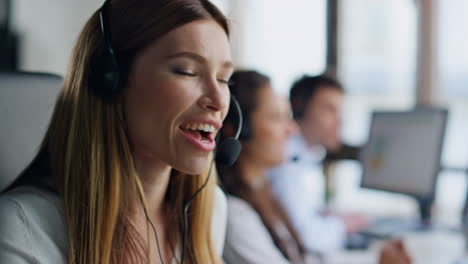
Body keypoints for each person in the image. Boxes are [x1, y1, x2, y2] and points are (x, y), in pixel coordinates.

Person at [0, 0, 234, 263]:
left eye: (224, 79)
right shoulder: (23, 229)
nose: (218, 100)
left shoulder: (208, 211)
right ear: (110, 78)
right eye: (187, 71)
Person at [219, 70, 411, 264]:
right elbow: (308, 239)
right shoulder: (238, 215)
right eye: (277, 117)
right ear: (239, 129)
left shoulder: (264, 194)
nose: (291, 129)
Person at [267, 74, 368, 254]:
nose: (340, 121)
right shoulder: (285, 159)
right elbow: (306, 237)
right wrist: (344, 225)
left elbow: (297, 211)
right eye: (329, 110)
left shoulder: (304, 156)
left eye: (340, 111)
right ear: (300, 108)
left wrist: (322, 215)